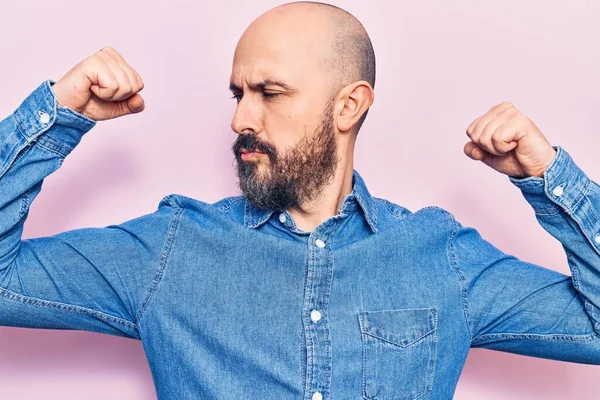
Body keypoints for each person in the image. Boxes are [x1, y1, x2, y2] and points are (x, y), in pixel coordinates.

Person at [1, 1, 599, 399]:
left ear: (348, 106)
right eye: (238, 92)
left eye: (270, 92)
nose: (240, 118)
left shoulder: (439, 255)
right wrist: (58, 116)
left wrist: (549, 179)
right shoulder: (171, 248)